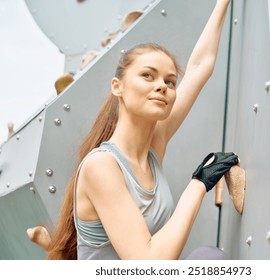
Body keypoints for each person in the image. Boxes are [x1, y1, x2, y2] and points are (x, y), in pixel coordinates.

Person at [46, 0, 237, 260]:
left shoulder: (153, 145)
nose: (162, 86)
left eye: (170, 81)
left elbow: (199, 67)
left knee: (210, 257)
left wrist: (222, 3)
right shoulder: (100, 166)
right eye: (148, 75)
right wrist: (198, 184)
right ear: (117, 86)